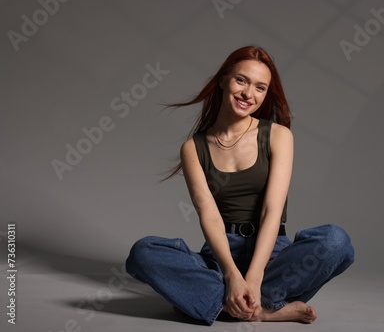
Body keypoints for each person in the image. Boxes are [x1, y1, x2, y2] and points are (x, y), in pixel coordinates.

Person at [125, 45, 355, 325]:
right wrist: (231, 275)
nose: (249, 94)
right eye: (241, 80)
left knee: (336, 240)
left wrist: (254, 278)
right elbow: (208, 215)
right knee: (143, 252)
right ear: (223, 80)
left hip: (273, 254)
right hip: (221, 257)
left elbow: (272, 210)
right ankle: (264, 309)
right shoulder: (193, 148)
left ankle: (215, 302)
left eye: (260, 87)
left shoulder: (277, 136)